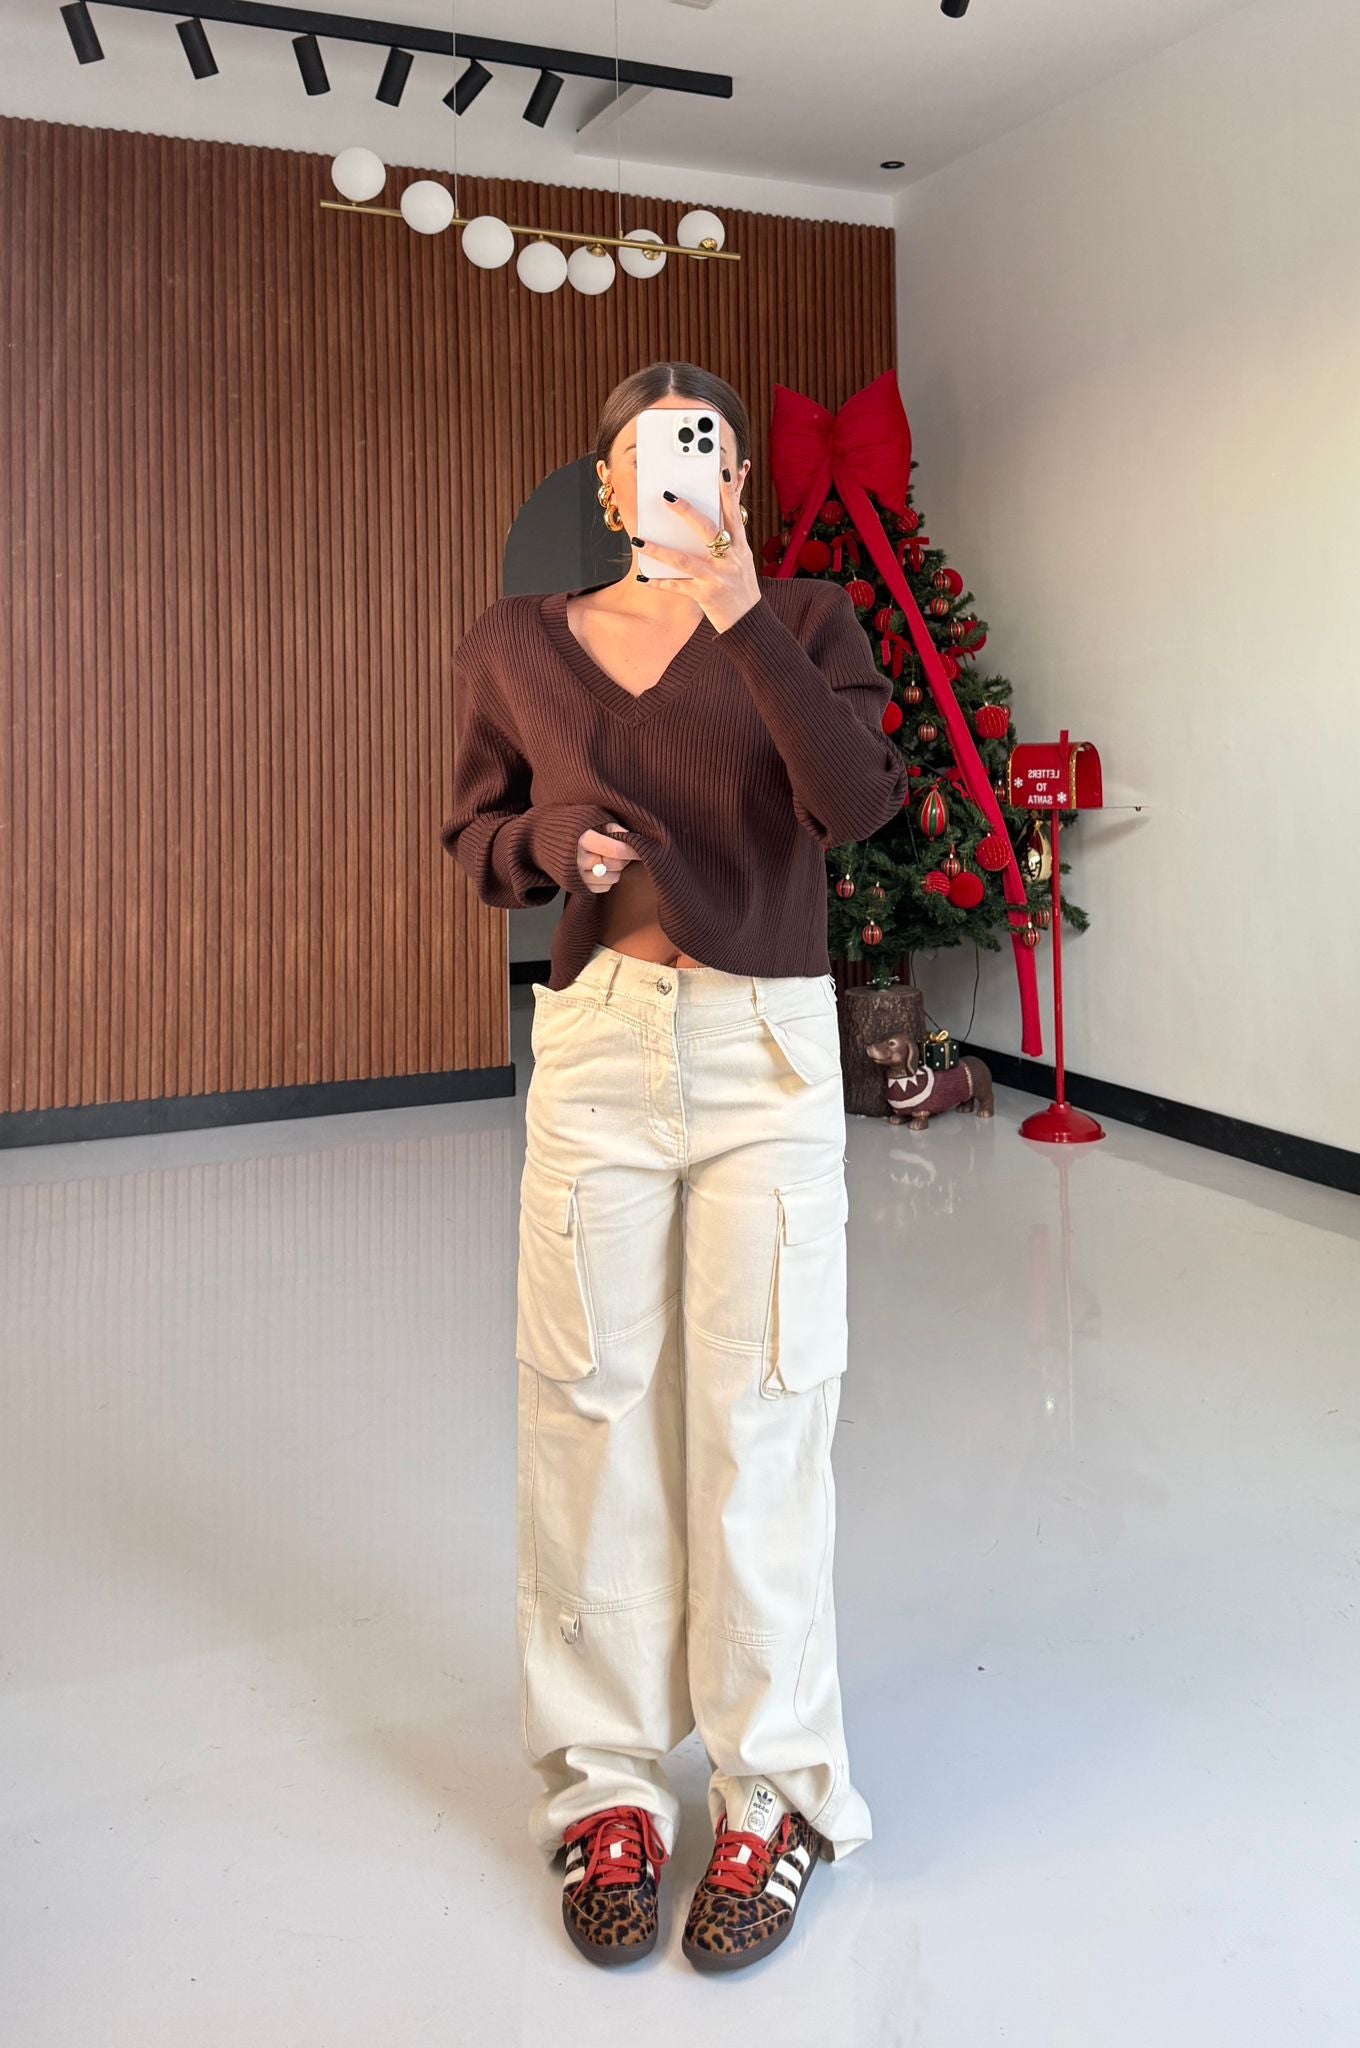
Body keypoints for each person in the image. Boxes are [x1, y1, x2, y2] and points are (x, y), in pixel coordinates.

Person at [442, 362, 909, 1970]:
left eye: (708, 452)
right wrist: (549, 848)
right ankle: (608, 1786)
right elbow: (475, 835)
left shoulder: (811, 623)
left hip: (766, 1052)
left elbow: (857, 802)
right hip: (599, 1048)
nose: (682, 475)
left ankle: (773, 1791)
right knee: (588, 1405)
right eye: (651, 455)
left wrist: (745, 613)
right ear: (607, 481)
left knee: (766, 1413)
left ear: (739, 485)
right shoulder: (518, 643)